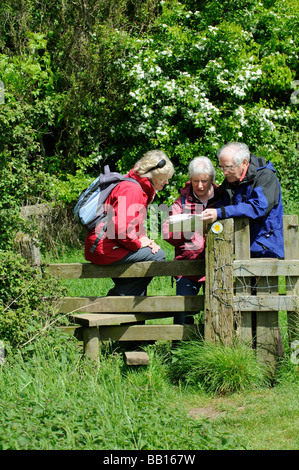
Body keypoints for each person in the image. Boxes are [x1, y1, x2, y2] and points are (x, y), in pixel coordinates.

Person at [84, 149, 174, 296]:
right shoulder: (132, 189)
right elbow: (122, 230)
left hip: (104, 245)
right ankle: (118, 297)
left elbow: (133, 223)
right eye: (165, 178)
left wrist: (144, 239)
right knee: (158, 256)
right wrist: (138, 244)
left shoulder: (137, 187)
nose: (167, 182)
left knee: (138, 288)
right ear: (154, 174)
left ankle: (131, 303)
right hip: (104, 247)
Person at [201, 142, 284, 259]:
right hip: (241, 247)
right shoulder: (230, 181)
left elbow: (258, 207)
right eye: (222, 167)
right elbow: (221, 205)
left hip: (265, 247)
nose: (225, 172)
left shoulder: (265, 176)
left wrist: (219, 213)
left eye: (229, 167)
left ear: (244, 163)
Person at [163, 156, 220, 324]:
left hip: (217, 265)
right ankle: (180, 349)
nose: (200, 185)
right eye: (196, 181)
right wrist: (187, 227)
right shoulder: (181, 201)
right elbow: (167, 233)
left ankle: (213, 349)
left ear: (212, 179)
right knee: (183, 315)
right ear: (190, 179)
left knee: (218, 315)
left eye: (204, 181)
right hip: (187, 266)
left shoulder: (223, 198)